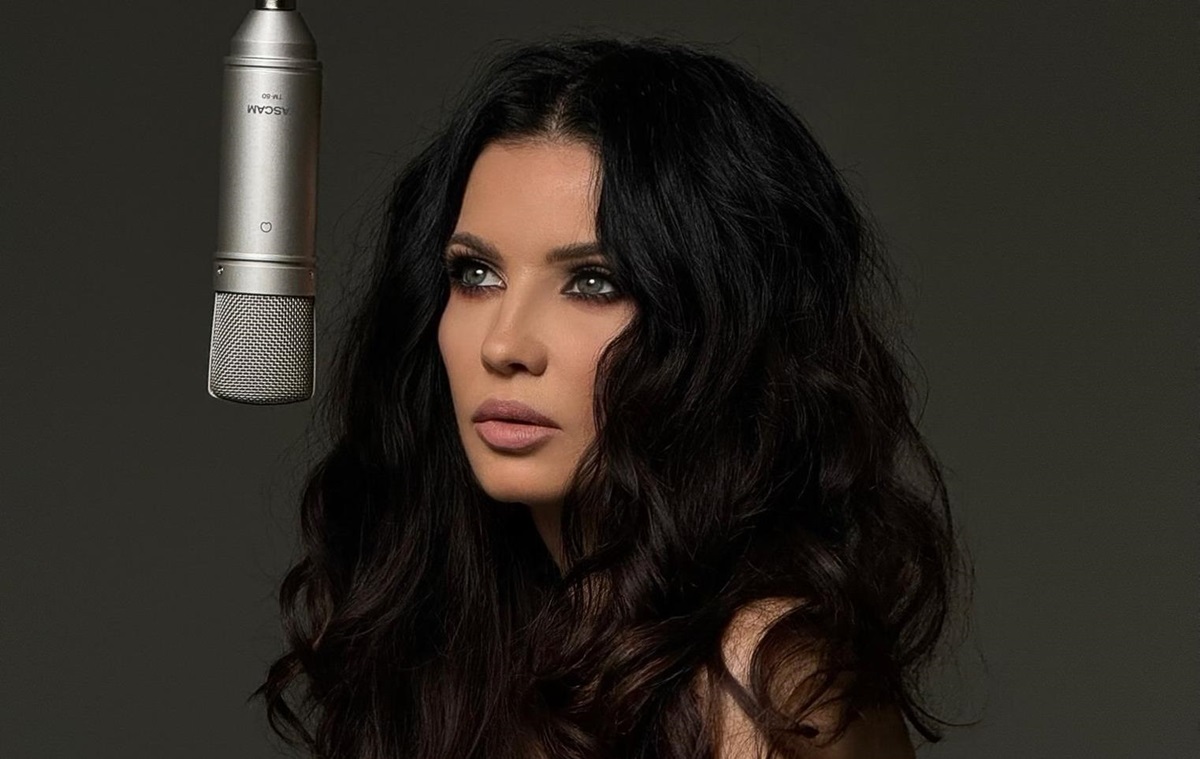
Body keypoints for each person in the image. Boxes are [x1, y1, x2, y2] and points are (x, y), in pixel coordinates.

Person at [257, 35, 971, 759]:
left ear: (718, 330)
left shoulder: (757, 674)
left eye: (593, 283)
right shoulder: (468, 652)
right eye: (475, 274)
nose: (503, 344)